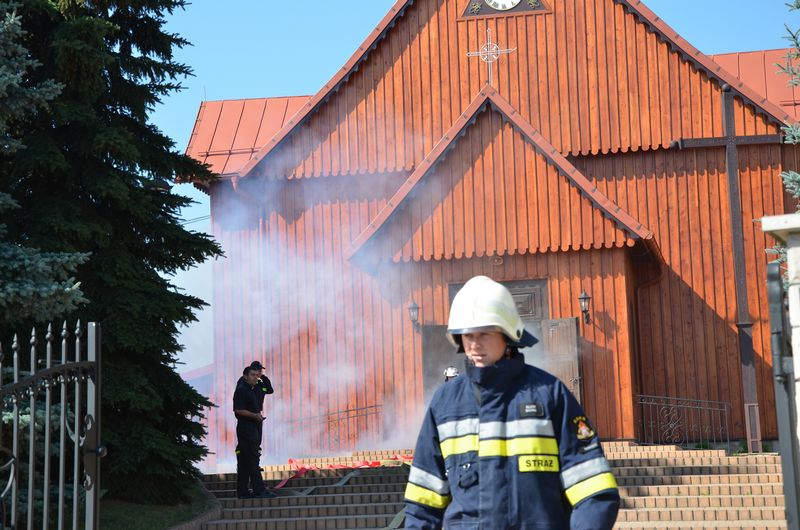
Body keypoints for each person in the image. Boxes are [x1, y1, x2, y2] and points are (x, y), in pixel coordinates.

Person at [404, 275, 620, 529]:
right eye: (468, 334)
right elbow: (422, 504)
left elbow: (594, 490)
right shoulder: (445, 404)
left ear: (507, 335)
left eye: (484, 333)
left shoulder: (549, 395)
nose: (475, 344)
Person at [233, 365, 270, 499]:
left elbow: (269, 390)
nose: (255, 377)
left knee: (244, 461)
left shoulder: (253, 388)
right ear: (245, 376)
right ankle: (259, 490)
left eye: (257, 374)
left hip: (253, 426)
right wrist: (255, 416)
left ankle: (243, 492)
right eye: (252, 375)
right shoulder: (242, 389)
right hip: (246, 427)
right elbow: (238, 409)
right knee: (253, 459)